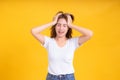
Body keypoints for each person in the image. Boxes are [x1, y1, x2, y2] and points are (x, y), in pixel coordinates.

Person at [31, 11, 93, 80]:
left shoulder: (73, 42)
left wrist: (71, 24)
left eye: (64, 25)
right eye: (58, 25)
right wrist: (53, 22)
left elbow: (89, 34)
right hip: (52, 77)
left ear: (68, 28)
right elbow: (33, 31)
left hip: (68, 77)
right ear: (55, 26)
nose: (61, 28)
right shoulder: (49, 42)